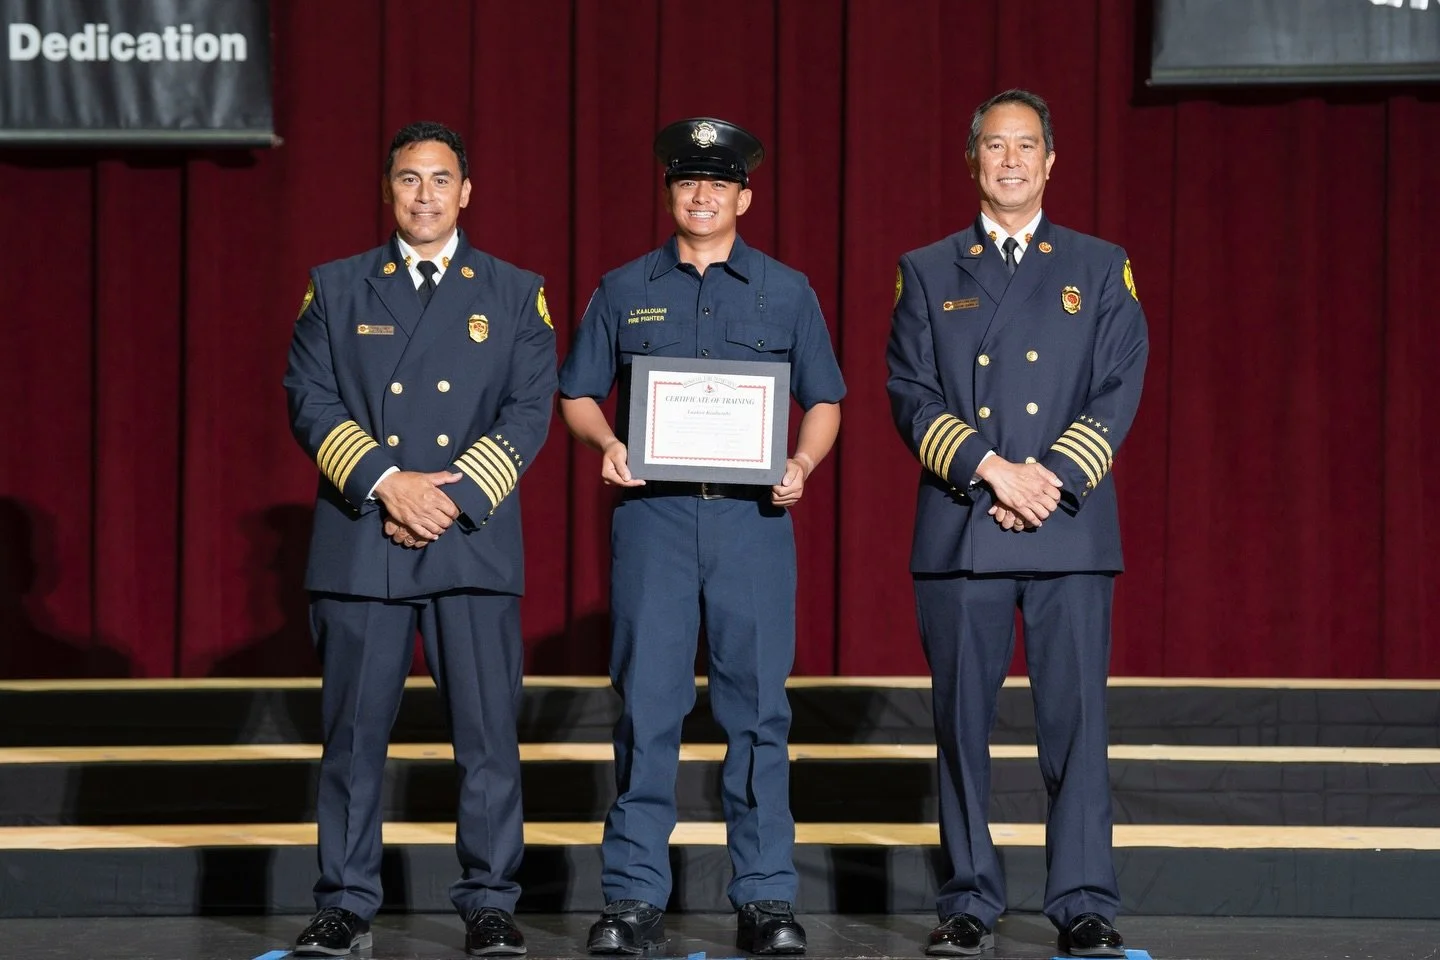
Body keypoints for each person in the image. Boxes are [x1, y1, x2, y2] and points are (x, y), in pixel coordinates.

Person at [557, 117, 844, 956]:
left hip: (751, 523)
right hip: (653, 522)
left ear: (744, 197)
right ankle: (634, 897)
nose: (703, 195)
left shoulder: (787, 291)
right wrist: (608, 443)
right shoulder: (620, 287)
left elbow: (824, 397)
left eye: (719, 184)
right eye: (688, 182)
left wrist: (802, 462)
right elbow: (577, 393)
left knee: (758, 712)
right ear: (670, 193)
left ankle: (763, 898)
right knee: (648, 708)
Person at [282, 120, 557, 957]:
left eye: (441, 180)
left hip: (469, 540)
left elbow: (530, 408)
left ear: (466, 192)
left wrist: (455, 495)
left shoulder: (515, 291)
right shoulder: (334, 288)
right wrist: (390, 484)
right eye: (409, 179)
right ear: (388, 189)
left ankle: (488, 900)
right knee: (354, 741)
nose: (425, 195)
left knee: (484, 737)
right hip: (364, 535)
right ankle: (344, 900)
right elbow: (310, 400)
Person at [885, 89, 1148, 958]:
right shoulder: (926, 268)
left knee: (1076, 725)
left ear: (1050, 161)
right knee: (961, 726)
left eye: (1025, 146)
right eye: (994, 147)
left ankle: (1081, 899)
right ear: (972, 161)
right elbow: (911, 395)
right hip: (965, 525)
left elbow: (1118, 388)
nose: (1010, 161)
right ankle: (968, 896)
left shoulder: (1101, 264)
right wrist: (991, 468)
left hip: (1068, 526)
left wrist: (1052, 478)